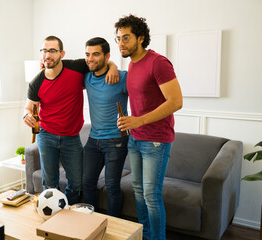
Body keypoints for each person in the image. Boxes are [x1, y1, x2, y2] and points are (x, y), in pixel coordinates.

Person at [23, 36, 119, 205]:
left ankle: (69, 212)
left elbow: (99, 61)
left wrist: (113, 67)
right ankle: (55, 217)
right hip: (47, 136)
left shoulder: (76, 67)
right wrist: (27, 115)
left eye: (52, 51)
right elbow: (28, 107)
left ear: (62, 53)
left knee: (76, 183)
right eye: (45, 50)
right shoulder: (36, 82)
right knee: (50, 184)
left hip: (71, 138)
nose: (48, 55)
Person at [114, 15, 183, 240]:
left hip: (156, 141)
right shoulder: (132, 64)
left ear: (141, 38)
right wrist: (129, 122)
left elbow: (176, 102)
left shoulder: (158, 63)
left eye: (126, 38)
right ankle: (144, 234)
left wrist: (139, 120)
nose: (121, 43)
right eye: (118, 39)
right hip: (135, 139)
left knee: (151, 195)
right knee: (139, 191)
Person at [82, 37, 128, 217]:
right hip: (93, 140)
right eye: (87, 54)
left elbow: (142, 99)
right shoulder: (86, 77)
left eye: (95, 54)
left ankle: (115, 227)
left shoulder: (121, 77)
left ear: (106, 56)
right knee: (87, 183)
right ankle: (91, 223)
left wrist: (114, 67)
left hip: (116, 140)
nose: (90, 58)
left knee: (112, 186)